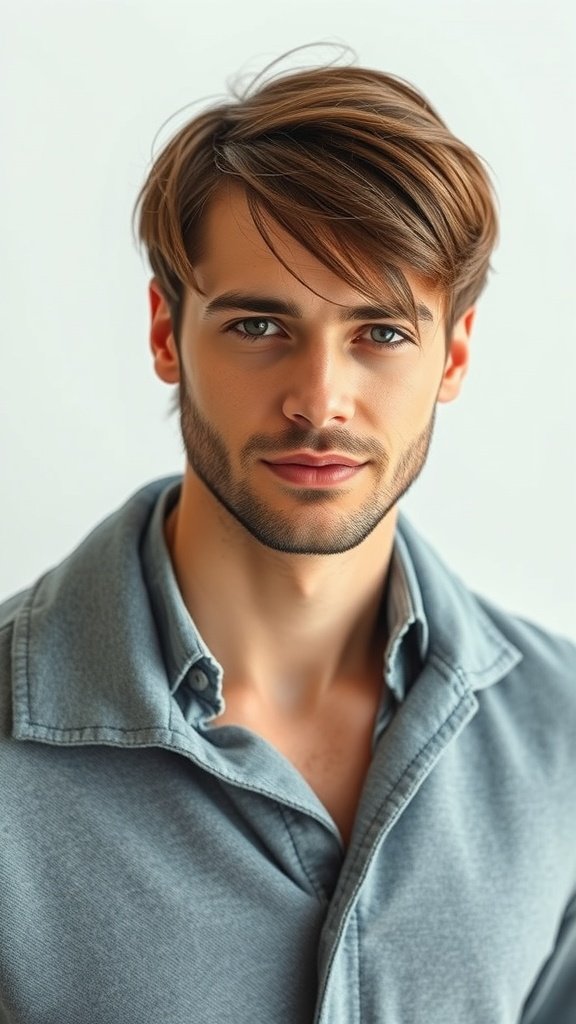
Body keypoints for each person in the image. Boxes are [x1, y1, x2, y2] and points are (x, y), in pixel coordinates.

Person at [0, 47, 574, 1024]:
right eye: (261, 325)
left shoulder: (560, 739)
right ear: (166, 331)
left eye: (381, 332)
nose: (319, 399)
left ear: (455, 353)